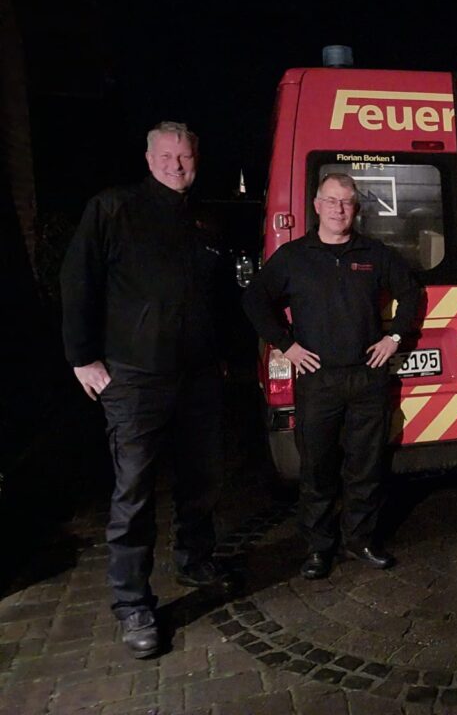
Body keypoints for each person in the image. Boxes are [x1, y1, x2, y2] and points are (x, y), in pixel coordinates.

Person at [61, 121, 235, 659]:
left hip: (198, 377)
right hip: (135, 379)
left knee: (201, 478)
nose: (176, 165)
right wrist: (82, 358)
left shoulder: (205, 218)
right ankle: (133, 604)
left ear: (196, 159)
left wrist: (225, 356)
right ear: (148, 157)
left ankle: (195, 557)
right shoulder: (114, 208)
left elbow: (220, 293)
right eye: (166, 155)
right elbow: (77, 279)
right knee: (134, 494)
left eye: (184, 157)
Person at [243, 173, 420, 580]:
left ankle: (360, 540)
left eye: (347, 202)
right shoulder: (293, 257)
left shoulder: (373, 253)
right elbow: (254, 300)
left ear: (355, 208)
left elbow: (410, 292)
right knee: (317, 471)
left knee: (366, 467)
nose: (339, 209)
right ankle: (319, 550)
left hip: (367, 378)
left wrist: (394, 337)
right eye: (332, 201)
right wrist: (285, 344)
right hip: (318, 381)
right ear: (317, 206)